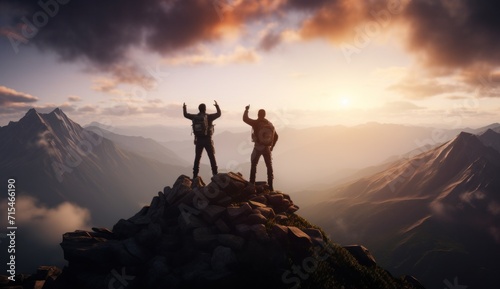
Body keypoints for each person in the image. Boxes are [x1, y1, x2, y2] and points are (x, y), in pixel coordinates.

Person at [243, 105, 278, 191]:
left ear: (258, 115)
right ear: (265, 115)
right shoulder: (269, 124)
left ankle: (252, 183)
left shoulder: (255, 123)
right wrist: (272, 146)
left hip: (257, 148)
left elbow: (245, 119)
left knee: (254, 165)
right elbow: (276, 136)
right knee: (269, 166)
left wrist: (246, 110)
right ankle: (270, 186)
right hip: (266, 148)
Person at [183, 100, 221, 179]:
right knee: (211, 157)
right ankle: (215, 174)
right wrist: (217, 106)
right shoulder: (209, 117)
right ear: (205, 109)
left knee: (197, 158)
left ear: (199, 109)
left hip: (199, 140)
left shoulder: (195, 117)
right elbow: (219, 114)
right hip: (208, 140)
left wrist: (184, 107)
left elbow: (185, 115)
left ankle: (195, 175)